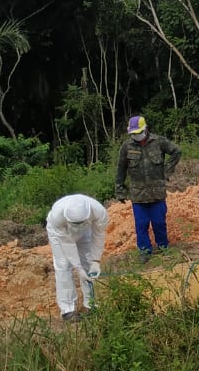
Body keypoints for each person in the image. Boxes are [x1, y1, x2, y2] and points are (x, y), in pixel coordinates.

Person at [115, 115, 182, 264]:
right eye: (133, 134)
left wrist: (167, 171)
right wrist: (119, 189)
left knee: (159, 222)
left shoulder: (159, 142)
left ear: (145, 129)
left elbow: (177, 151)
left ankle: (163, 247)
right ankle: (145, 252)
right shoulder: (127, 147)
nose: (136, 136)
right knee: (141, 224)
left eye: (138, 132)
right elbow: (121, 169)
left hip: (157, 192)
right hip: (138, 195)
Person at [45, 194, 109, 323]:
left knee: (88, 262)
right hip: (61, 233)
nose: (77, 225)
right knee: (63, 265)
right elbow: (67, 243)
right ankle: (67, 309)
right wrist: (78, 269)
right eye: (75, 223)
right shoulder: (57, 216)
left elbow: (99, 234)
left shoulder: (99, 211)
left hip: (86, 230)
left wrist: (96, 261)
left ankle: (91, 304)